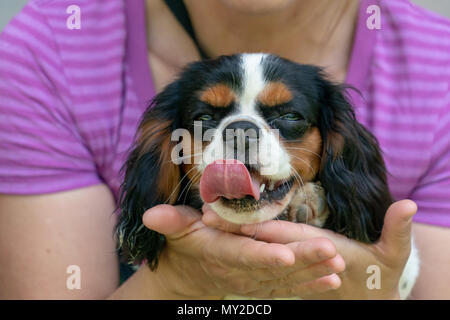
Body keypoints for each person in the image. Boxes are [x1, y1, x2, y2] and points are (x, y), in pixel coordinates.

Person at [0, 0, 449, 299]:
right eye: (208, 119)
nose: (242, 136)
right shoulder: (46, 52)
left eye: (288, 119)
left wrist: (376, 288)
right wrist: (174, 284)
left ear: (331, 141)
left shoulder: (439, 65)